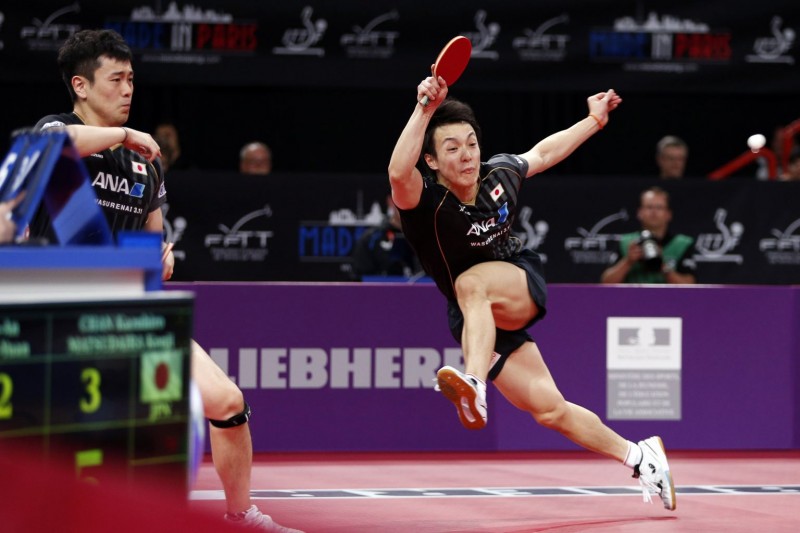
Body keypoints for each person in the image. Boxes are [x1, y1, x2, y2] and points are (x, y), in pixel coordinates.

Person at [27, 29, 302, 533]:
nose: (129, 89)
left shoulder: (144, 165)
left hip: (127, 310)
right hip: (55, 318)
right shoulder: (57, 131)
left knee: (228, 401)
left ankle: (241, 514)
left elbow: (154, 245)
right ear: (81, 86)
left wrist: (162, 255)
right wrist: (125, 135)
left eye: (132, 79)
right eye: (116, 79)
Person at [387, 72, 676, 511]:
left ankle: (474, 382)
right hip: (474, 317)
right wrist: (424, 109)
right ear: (431, 161)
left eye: (471, 143)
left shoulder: (498, 174)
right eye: (451, 148)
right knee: (550, 409)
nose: (466, 155)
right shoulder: (423, 203)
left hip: (516, 281)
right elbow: (396, 171)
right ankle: (641, 456)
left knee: (472, 282)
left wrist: (594, 121)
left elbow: (542, 152)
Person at [600, 187, 696, 284]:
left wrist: (662, 266)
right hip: (633, 297)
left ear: (668, 214)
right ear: (640, 212)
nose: (654, 212)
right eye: (649, 207)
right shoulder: (626, 242)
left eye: (659, 207)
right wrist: (628, 261)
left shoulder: (682, 244)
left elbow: (690, 286)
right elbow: (605, 283)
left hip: (668, 298)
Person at [350, 194, 421, 280]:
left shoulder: (429, 240)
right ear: (392, 202)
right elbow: (359, 280)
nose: (409, 209)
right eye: (405, 202)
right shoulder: (370, 240)